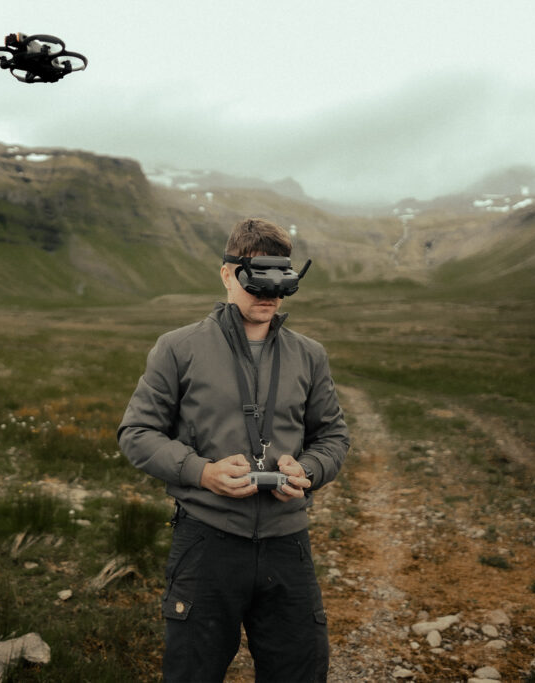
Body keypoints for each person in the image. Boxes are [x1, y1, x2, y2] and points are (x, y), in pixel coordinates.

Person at [118, 218, 351, 682]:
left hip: (288, 544)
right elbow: (136, 432)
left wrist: (308, 469)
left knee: (301, 671)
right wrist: (202, 472)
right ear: (227, 274)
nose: (269, 295)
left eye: (281, 284)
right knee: (192, 672)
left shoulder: (309, 355)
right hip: (207, 541)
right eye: (256, 281)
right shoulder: (177, 348)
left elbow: (334, 436)